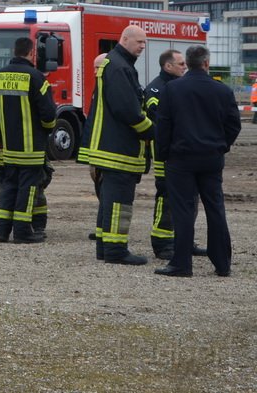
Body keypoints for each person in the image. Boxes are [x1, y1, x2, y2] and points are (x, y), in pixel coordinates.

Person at [154, 46, 240, 278]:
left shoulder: (172, 89)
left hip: (180, 159)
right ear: (206, 63)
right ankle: (222, 263)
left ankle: (182, 263)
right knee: (215, 208)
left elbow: (163, 126)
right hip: (211, 158)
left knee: (183, 210)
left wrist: (163, 154)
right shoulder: (222, 91)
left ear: (188, 64)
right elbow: (234, 124)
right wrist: (222, 146)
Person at [79, 26, 152, 265]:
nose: (142, 46)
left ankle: (105, 247)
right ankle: (115, 250)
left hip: (108, 147)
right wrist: (151, 131)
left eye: (145, 42)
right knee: (119, 201)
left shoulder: (116, 63)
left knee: (109, 201)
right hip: (118, 149)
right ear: (125, 39)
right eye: (139, 41)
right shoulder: (120, 67)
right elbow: (127, 109)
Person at [0, 37, 56, 244]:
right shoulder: (36, 77)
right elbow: (49, 114)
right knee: (28, 188)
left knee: (9, 185)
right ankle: (23, 232)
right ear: (31, 52)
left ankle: (1, 230)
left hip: (7, 147)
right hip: (31, 147)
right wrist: (48, 131)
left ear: (14, 51)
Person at [144, 49, 187, 259]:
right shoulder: (155, 89)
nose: (185, 67)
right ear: (167, 66)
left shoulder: (179, 86)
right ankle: (161, 243)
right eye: (180, 64)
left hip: (181, 151)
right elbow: (160, 119)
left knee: (186, 198)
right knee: (166, 196)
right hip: (164, 152)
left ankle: (182, 239)